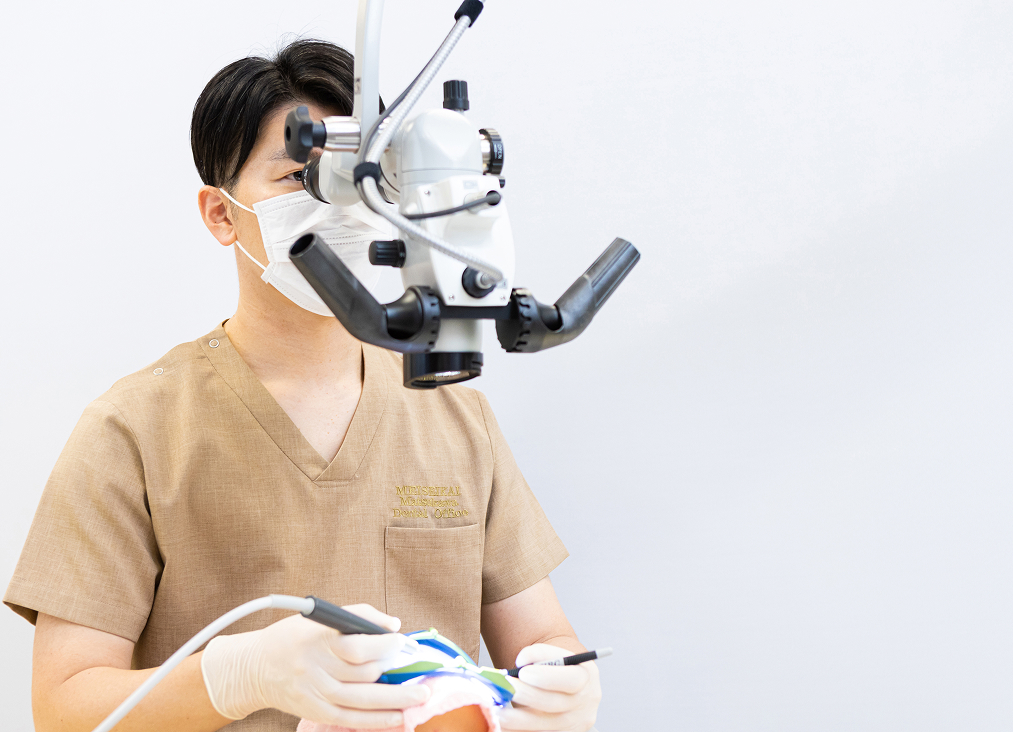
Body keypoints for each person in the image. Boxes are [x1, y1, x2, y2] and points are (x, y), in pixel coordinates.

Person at [4, 40, 601, 732]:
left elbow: (542, 639)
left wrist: (561, 684)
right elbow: (63, 707)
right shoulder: (133, 431)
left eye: (362, 178)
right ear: (221, 214)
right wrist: (238, 676)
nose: (343, 206)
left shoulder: (455, 416)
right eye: (300, 177)